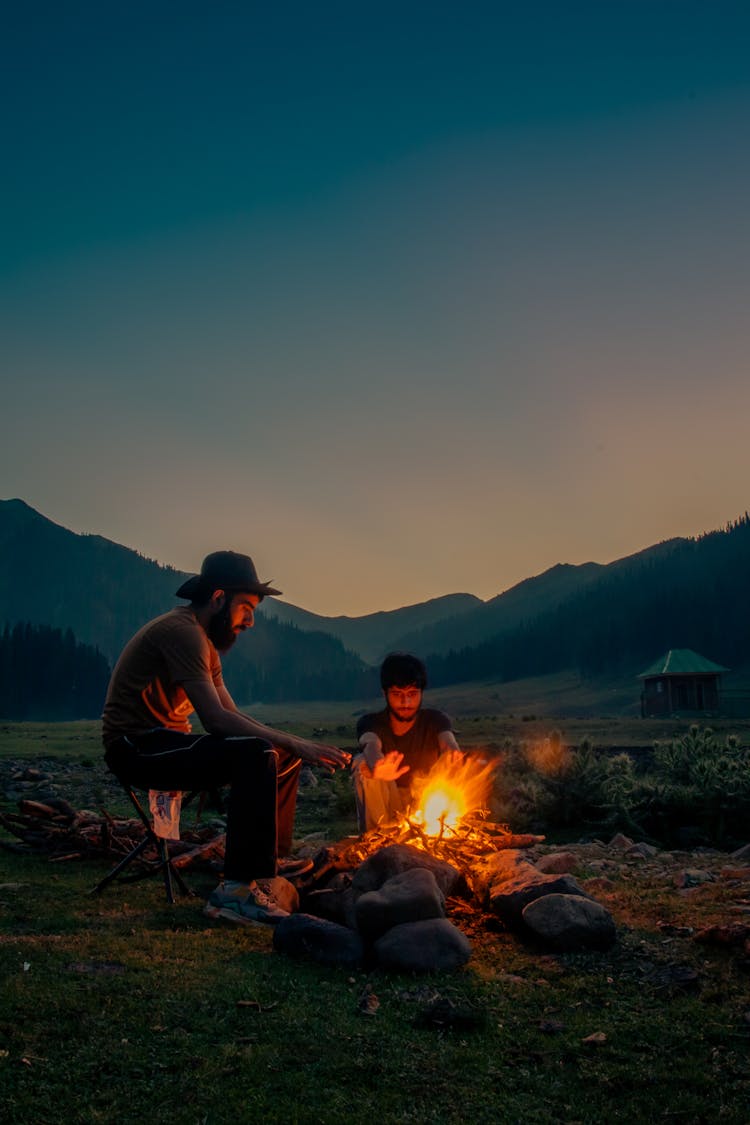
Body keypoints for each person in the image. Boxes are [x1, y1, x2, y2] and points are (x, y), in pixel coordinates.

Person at [101, 550, 350, 926]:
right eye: (246, 607)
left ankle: (269, 870)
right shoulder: (182, 632)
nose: (250, 621)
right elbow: (216, 721)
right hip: (136, 747)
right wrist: (295, 741)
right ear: (218, 599)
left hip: (164, 743)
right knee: (258, 754)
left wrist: (291, 745)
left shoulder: (204, 643)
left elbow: (232, 714)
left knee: (278, 754)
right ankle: (237, 892)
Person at [352, 652, 462, 833]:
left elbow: (448, 741)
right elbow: (370, 743)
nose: (406, 701)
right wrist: (378, 764)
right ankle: (376, 841)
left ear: (421, 692)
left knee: (453, 766)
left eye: (412, 693)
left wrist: (453, 753)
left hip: (426, 801)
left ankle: (443, 832)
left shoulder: (435, 720)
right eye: (397, 694)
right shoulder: (371, 722)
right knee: (362, 764)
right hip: (389, 805)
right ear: (384, 693)